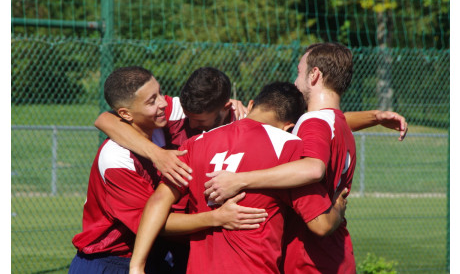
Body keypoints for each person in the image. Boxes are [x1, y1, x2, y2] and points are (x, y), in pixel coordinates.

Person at [204, 43, 400, 273]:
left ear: (314, 74)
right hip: (334, 256)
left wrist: (240, 180)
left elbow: (312, 169)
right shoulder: (338, 124)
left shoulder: (313, 122)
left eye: (299, 72)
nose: (296, 81)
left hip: (310, 261)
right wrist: (376, 116)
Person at [129, 82, 349, 274]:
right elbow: (321, 224)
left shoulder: (196, 144)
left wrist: (137, 266)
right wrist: (338, 206)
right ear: (289, 127)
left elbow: (157, 203)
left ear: (252, 105)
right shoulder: (289, 148)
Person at [68, 66, 267, 274]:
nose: (164, 102)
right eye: (151, 100)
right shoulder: (116, 158)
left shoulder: (167, 119)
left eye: (160, 93)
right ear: (126, 114)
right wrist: (217, 217)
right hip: (110, 259)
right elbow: (153, 223)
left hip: (163, 253)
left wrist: (234, 111)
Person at [94, 68, 408, 189]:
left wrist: (375, 117)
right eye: (189, 116)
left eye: (201, 121)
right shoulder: (172, 112)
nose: (191, 124)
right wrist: (157, 155)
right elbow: (105, 119)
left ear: (224, 109)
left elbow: (312, 123)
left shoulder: (242, 120)